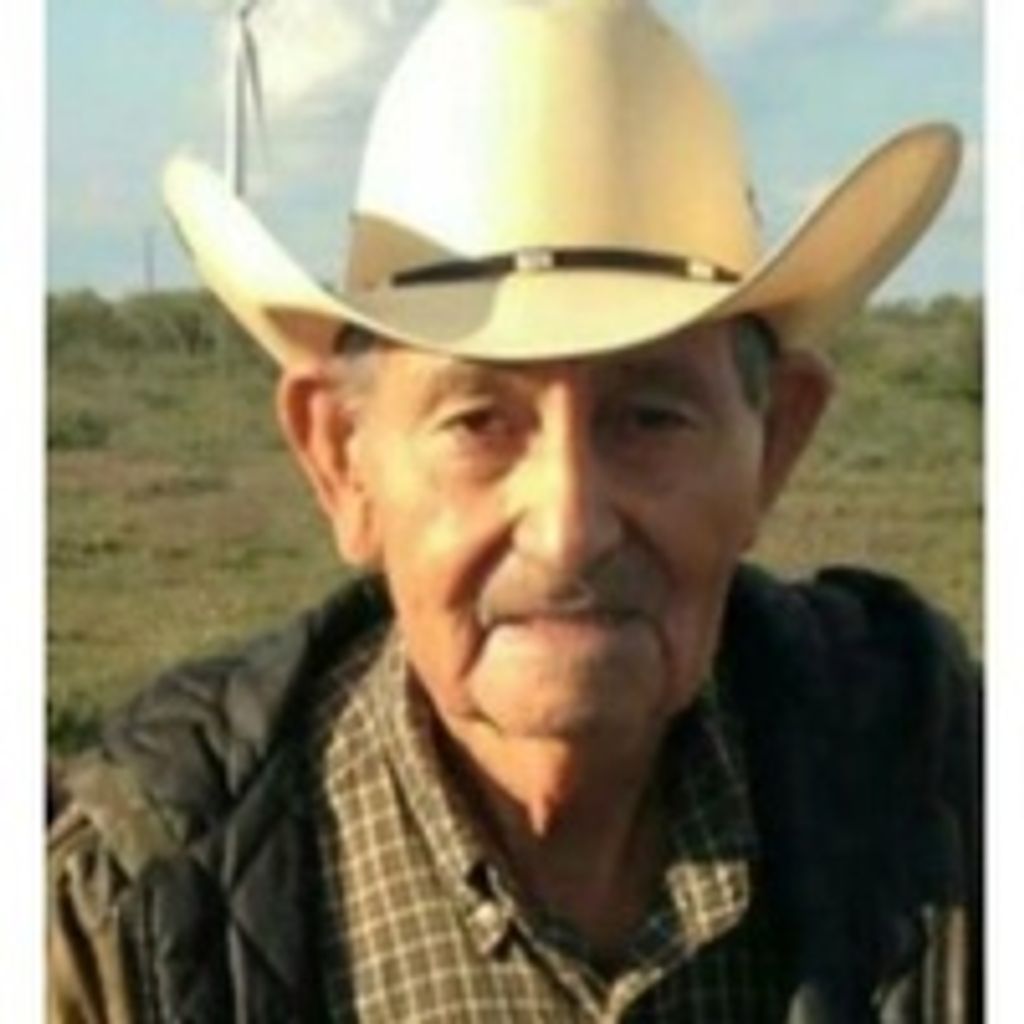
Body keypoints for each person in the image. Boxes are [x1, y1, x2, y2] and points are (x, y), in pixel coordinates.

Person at [48, 0, 979, 1020]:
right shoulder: (132, 923)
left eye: (650, 418)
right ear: (343, 462)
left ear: (774, 444)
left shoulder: (955, 816)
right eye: (479, 422)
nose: (569, 529)